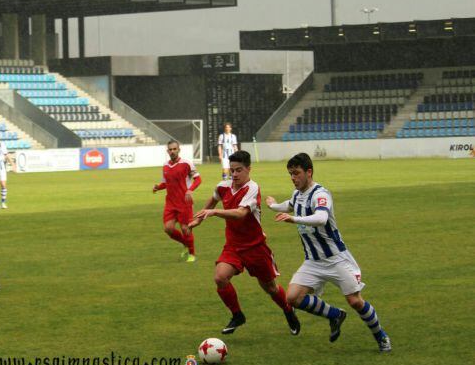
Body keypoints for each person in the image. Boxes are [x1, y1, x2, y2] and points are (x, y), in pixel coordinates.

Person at [266, 152, 391, 352]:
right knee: (292, 297)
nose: (293, 178)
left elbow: (321, 218)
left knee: (355, 301)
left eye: (296, 173)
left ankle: (381, 336)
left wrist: (294, 220)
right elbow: (288, 206)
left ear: (309, 172)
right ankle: (334, 315)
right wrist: (272, 205)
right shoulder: (297, 195)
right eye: (290, 174)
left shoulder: (321, 194)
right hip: (313, 261)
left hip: (336, 259)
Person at [188, 150, 300, 335]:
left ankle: (288, 310)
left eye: (239, 170)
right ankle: (237, 315)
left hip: (255, 247)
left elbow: (240, 214)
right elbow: (212, 200)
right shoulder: (223, 186)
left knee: (270, 288)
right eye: (232, 170)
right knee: (220, 277)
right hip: (233, 246)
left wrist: (214, 213)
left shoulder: (252, 188)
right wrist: (198, 219)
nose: (234, 174)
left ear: (249, 169)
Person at [152, 140, 201, 262]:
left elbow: (198, 179)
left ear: (179, 150)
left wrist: (190, 190)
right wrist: (158, 187)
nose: (172, 151)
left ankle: (192, 254)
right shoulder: (165, 166)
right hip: (170, 203)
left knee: (185, 229)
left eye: (175, 149)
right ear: (167, 151)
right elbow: (166, 183)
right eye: (170, 149)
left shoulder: (186, 164)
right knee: (168, 229)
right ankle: (185, 244)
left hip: (184, 202)